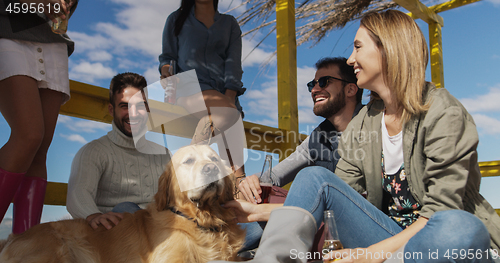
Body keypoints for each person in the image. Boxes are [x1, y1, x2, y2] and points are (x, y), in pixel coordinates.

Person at [211, 10, 500, 263]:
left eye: (358, 47)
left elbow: (438, 214)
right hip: (389, 237)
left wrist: (371, 255)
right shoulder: (364, 122)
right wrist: (255, 212)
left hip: (429, 243)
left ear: (388, 49)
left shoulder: (443, 113)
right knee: (314, 177)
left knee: (460, 228)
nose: (351, 59)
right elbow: (328, 198)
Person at [237, 57, 363, 251]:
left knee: (304, 183)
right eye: (312, 84)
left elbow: (354, 204)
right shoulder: (320, 135)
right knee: (260, 193)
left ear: (350, 89)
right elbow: (275, 176)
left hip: (353, 229)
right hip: (318, 218)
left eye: (324, 82)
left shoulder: (371, 126)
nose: (314, 90)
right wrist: (249, 183)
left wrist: (262, 210)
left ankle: (212, 247)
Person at [0, 0, 78, 234]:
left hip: (54, 41)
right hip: (9, 33)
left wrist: (62, 8)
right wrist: (36, 4)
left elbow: (63, 12)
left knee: (40, 151)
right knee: (29, 136)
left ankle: (25, 250)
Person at [66, 73, 171, 230]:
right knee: (126, 209)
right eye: (124, 106)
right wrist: (93, 215)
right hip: (117, 238)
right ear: (111, 109)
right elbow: (78, 194)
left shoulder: (164, 154)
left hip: (159, 230)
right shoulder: (94, 151)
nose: (133, 113)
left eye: (140, 106)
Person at [159, 0, 246, 179]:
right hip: (188, 87)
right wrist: (166, 71)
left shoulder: (229, 24)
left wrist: (230, 99)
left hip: (224, 94)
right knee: (229, 115)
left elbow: (234, 64)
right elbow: (167, 57)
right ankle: (182, 176)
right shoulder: (175, 19)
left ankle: (184, 172)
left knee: (237, 174)